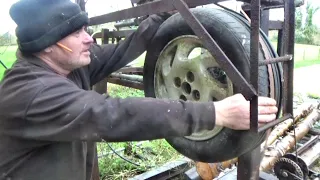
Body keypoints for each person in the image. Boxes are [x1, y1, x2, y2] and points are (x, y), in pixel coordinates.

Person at [0, 0, 278, 180]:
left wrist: (164, 17)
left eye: (85, 29)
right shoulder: (29, 93)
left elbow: (120, 51)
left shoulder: (67, 66)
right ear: (47, 44)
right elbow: (112, 114)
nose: (89, 38)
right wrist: (215, 112)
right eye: (76, 33)